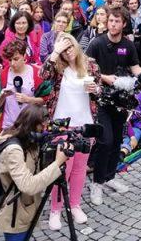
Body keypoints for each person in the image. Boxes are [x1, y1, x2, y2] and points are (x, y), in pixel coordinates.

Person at [85, 7, 141, 205]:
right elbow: (85, 67)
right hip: (101, 99)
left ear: (124, 24)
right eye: (110, 20)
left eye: (117, 21)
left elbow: (135, 66)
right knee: (105, 141)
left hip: (120, 99)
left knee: (118, 140)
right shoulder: (97, 43)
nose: (113, 24)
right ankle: (96, 182)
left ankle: (109, 176)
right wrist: (104, 78)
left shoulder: (128, 45)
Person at [40, 33, 99, 230]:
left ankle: (74, 205)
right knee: (62, 168)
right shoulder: (58, 68)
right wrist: (55, 52)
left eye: (70, 46)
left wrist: (96, 90)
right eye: (64, 50)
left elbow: (99, 92)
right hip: (63, 124)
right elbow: (43, 75)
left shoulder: (90, 65)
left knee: (80, 168)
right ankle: (56, 209)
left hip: (86, 122)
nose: (68, 51)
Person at [0, 106, 71, 241]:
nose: (43, 131)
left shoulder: (30, 142)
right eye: (41, 127)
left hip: (24, 209)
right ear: (31, 126)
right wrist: (58, 163)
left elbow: (37, 169)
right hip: (14, 214)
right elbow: (28, 186)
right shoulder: (14, 150)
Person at [0, 40, 49, 134]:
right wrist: (2, 97)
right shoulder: (1, 76)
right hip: (7, 127)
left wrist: (29, 100)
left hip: (31, 126)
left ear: (24, 56)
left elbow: (47, 99)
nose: (12, 63)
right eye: (9, 60)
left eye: (16, 59)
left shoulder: (37, 74)